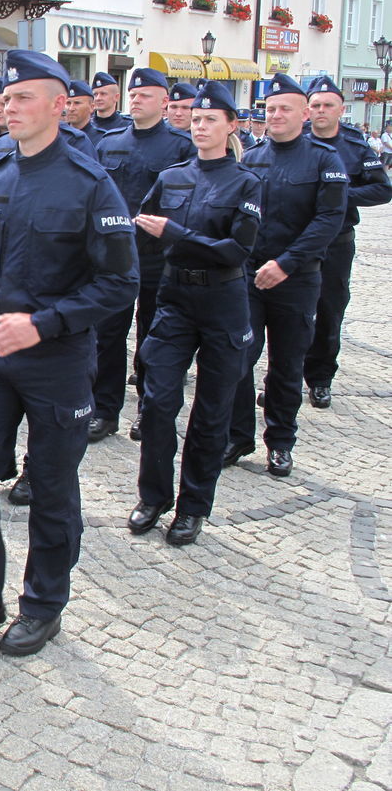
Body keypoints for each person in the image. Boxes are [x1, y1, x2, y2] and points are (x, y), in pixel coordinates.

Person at [0, 50, 138, 656]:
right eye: (5, 98)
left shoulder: (89, 183)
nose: (7, 107)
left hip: (57, 361)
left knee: (51, 486)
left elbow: (120, 284)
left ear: (57, 106)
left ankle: (44, 604)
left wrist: (45, 324)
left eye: (23, 98)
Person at [130, 81, 263, 546]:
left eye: (211, 120)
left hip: (223, 304)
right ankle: (154, 497)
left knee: (210, 412)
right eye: (197, 119)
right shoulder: (173, 176)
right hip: (175, 299)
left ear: (231, 126)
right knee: (158, 401)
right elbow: (142, 232)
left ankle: (192, 506)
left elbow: (235, 251)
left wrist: (177, 234)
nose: (201, 126)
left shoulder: (246, 183)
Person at [225, 73, 348, 478]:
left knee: (286, 364)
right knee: (239, 356)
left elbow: (328, 220)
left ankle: (279, 441)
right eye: (271, 109)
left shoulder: (324, 159)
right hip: (249, 275)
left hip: (296, 277)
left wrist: (286, 264)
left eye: (284, 109)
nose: (275, 115)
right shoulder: (253, 157)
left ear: (304, 114)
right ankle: (238, 435)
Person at [89, 67, 194, 443]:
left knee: (155, 337)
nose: (136, 100)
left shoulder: (181, 147)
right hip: (114, 257)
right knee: (107, 336)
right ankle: (104, 410)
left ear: (164, 102)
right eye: (133, 95)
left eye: (145, 95)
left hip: (158, 258)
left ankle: (149, 410)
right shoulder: (109, 143)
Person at [301, 76, 392, 407]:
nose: (322, 110)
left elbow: (382, 188)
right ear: (307, 110)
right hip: (296, 238)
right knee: (293, 312)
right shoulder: (295, 142)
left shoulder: (354, 146)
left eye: (328, 105)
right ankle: (286, 377)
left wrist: (339, 195)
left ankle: (321, 377)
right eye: (316, 105)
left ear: (341, 110)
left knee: (328, 309)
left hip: (335, 241)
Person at [64, 80, 104, 151]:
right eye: (68, 103)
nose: (71, 108)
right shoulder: (58, 136)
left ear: (92, 107)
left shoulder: (102, 139)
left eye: (77, 103)